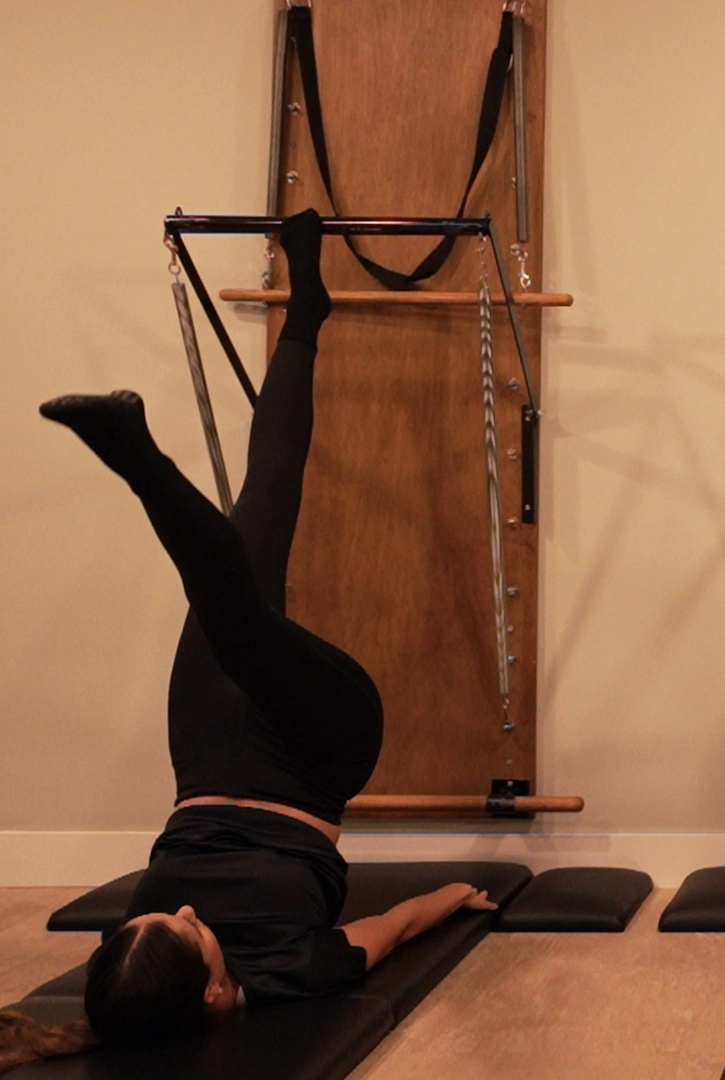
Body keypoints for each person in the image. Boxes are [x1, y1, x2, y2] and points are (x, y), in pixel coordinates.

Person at [2, 211, 496, 1069]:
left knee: (265, 497)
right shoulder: (291, 967)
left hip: (205, 756)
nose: (187, 913)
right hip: (319, 751)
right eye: (191, 934)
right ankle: (138, 458)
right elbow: (389, 928)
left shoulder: (129, 967)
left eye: (162, 914)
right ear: (219, 994)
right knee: (240, 623)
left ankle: (306, 311)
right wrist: (455, 892)